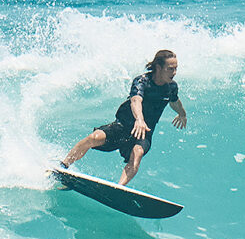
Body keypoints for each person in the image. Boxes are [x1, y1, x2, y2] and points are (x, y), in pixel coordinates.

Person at [61, 49, 187, 186]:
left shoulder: (172, 87)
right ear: (158, 67)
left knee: (137, 153)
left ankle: (119, 188)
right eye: (170, 69)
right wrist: (139, 119)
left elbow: (174, 101)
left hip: (143, 132)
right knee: (94, 138)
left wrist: (182, 113)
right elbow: (136, 100)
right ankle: (63, 166)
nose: (174, 73)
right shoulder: (142, 81)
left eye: (176, 69)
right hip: (123, 126)